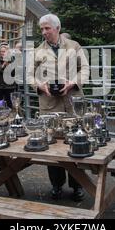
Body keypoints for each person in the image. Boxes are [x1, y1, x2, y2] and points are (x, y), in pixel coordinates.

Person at [31, 14, 90, 202]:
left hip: (72, 103)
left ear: (57, 28)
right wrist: (39, 85)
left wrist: (73, 82)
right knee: (52, 145)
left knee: (76, 142)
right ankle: (56, 185)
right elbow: (30, 76)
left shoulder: (74, 46)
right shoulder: (38, 50)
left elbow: (86, 69)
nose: (44, 32)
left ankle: (77, 186)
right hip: (49, 105)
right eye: (41, 29)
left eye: (47, 28)